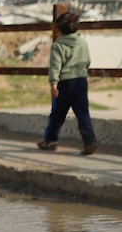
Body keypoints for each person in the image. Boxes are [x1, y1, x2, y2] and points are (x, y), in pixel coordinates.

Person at [38, 10, 98, 155]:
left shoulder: (58, 45)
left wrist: (53, 84)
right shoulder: (82, 43)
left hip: (64, 83)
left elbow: (55, 66)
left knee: (57, 114)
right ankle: (90, 141)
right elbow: (87, 61)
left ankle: (50, 140)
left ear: (59, 29)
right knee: (83, 113)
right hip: (81, 81)